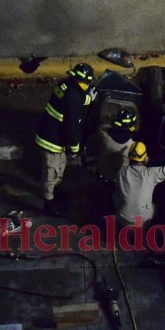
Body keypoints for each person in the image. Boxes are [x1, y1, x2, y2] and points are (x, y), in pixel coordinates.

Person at [35, 63, 97, 217]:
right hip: (51, 142)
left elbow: (76, 99)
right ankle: (48, 203)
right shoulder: (73, 97)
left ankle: (55, 192)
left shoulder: (67, 85)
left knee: (59, 168)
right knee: (51, 173)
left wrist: (88, 98)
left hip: (55, 136)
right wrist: (75, 148)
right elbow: (73, 127)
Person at [113, 140, 165, 228]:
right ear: (144, 158)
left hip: (122, 217)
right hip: (141, 221)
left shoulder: (121, 172)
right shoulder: (150, 174)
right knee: (163, 201)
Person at [96, 108, 138, 183]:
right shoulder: (133, 143)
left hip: (102, 174)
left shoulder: (105, 134)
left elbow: (102, 126)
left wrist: (111, 122)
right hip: (119, 180)